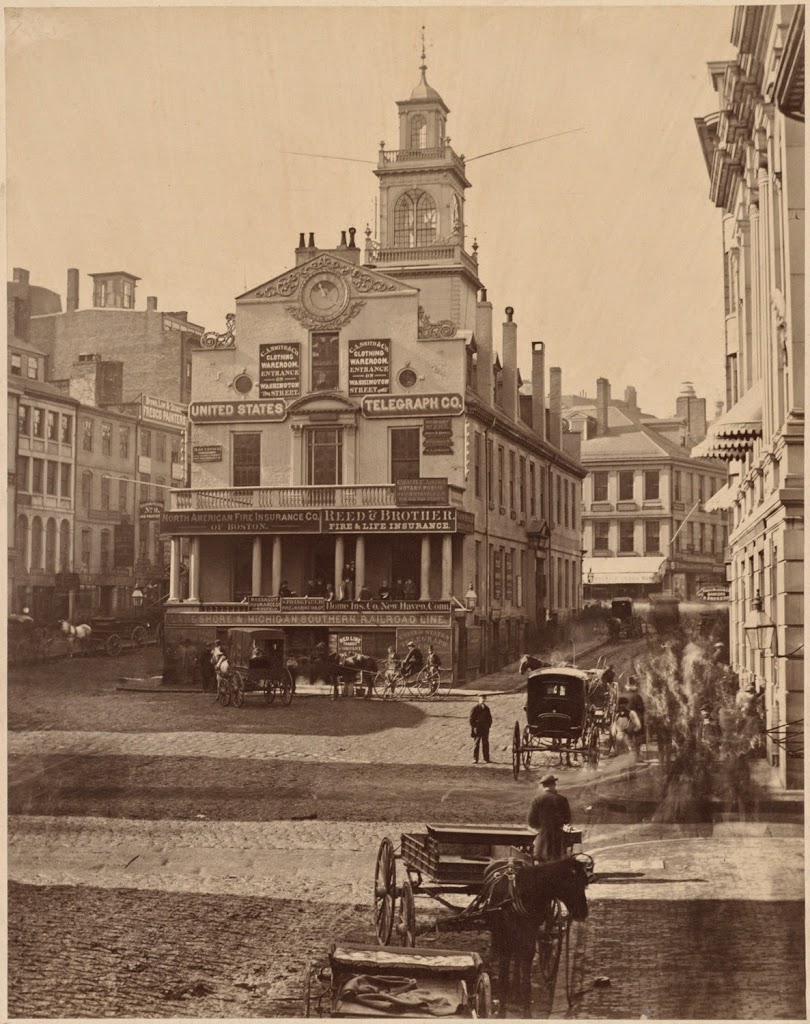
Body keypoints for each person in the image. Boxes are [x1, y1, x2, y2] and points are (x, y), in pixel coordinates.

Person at [527, 774, 571, 862]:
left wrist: (541, 827)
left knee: (541, 864)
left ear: (543, 786)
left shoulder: (537, 800)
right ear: (554, 785)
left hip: (543, 838)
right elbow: (567, 819)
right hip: (558, 838)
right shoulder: (562, 799)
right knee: (557, 863)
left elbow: (531, 821)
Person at [469, 694, 493, 764]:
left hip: (485, 728)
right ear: (479, 699)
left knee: (485, 743)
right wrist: (474, 726)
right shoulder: (475, 708)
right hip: (478, 728)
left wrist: (488, 725)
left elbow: (489, 718)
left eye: (484, 698)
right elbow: (471, 719)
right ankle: (475, 758)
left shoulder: (487, 708)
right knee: (476, 743)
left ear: (485, 699)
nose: (483, 700)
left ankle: (486, 758)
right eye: (481, 698)